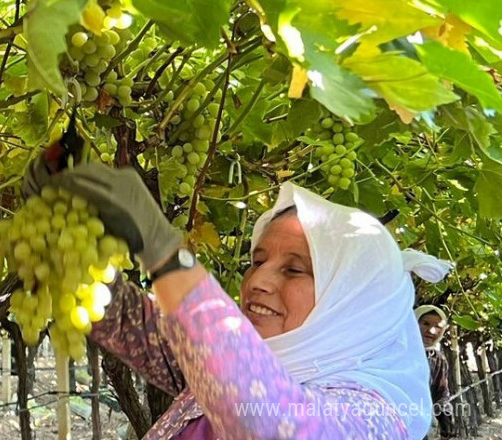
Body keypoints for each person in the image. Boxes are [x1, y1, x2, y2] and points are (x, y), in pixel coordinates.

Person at [23, 157, 454, 439]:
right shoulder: (226, 364)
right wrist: (63, 250)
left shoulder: (377, 418)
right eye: (258, 259)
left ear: (352, 302)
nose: (257, 281)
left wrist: (163, 247)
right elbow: (131, 324)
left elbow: (271, 424)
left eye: (294, 269)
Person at [415, 305, 455, 439]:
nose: (431, 330)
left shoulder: (437, 359)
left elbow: (440, 393)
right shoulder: (395, 352)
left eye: (438, 326)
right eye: (425, 323)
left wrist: (445, 417)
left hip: (419, 424)